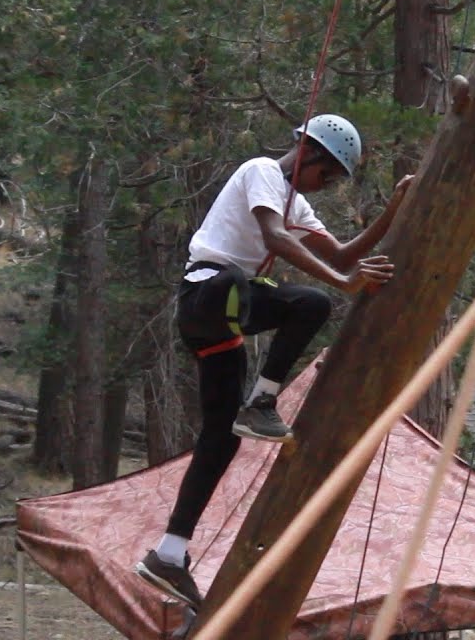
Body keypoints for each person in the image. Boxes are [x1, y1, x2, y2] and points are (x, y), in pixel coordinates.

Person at [135, 114, 414, 608]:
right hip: (208, 294)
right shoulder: (260, 171)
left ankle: (169, 553)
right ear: (308, 152)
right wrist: (343, 283)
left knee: (222, 437)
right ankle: (262, 402)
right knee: (289, 294)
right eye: (326, 174)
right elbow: (274, 238)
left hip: (221, 319)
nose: (325, 185)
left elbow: (342, 255)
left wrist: (393, 210)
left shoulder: (297, 204)